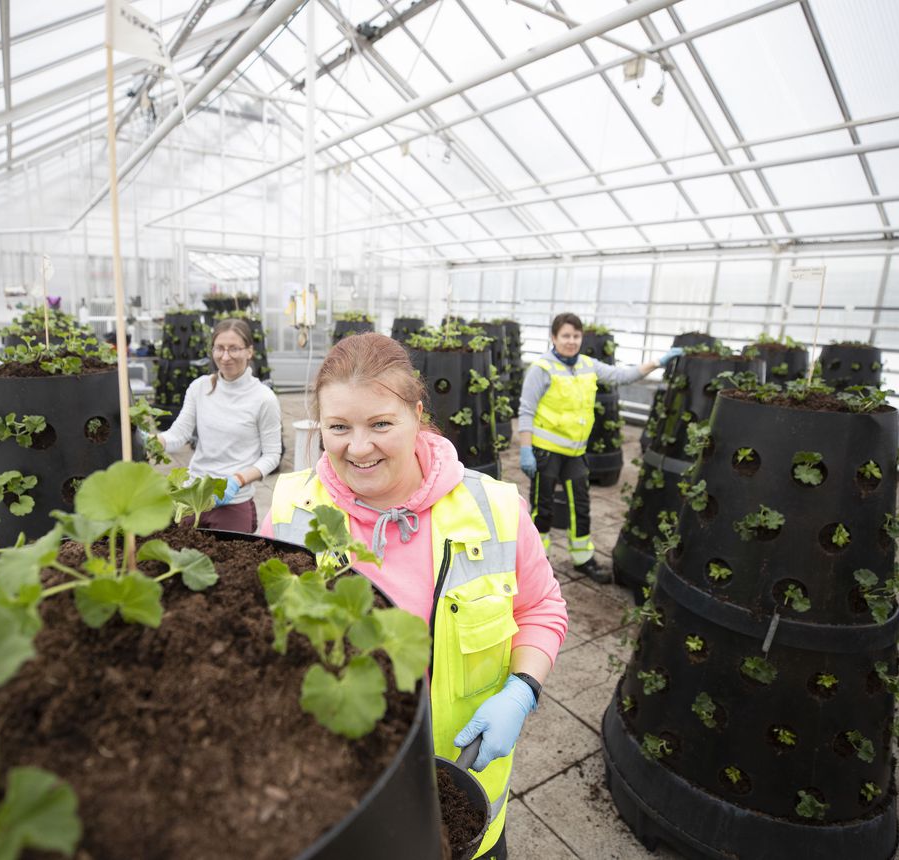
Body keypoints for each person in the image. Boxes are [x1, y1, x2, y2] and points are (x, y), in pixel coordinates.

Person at [260, 333, 567, 860]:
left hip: (460, 792)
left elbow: (541, 608)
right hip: (338, 797)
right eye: (339, 427)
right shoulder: (291, 512)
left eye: (381, 423)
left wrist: (522, 690)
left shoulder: (494, 508)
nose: (358, 447)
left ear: (417, 415)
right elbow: (259, 636)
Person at [518, 313, 682, 583]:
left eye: (576, 336)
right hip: (546, 451)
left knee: (581, 507)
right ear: (554, 338)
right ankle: (538, 563)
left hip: (575, 454)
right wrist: (526, 449)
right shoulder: (541, 369)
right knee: (542, 509)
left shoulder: (587, 365)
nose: (571, 341)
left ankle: (583, 559)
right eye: (566, 336)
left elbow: (623, 376)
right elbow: (526, 411)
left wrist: (657, 362)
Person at [159, 318, 281, 532]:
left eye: (234, 349)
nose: (225, 357)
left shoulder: (264, 398)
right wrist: (151, 442)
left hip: (233, 501)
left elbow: (272, 456)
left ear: (249, 351)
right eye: (219, 349)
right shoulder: (200, 388)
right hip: (194, 495)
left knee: (232, 564)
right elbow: (178, 434)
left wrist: (237, 480)